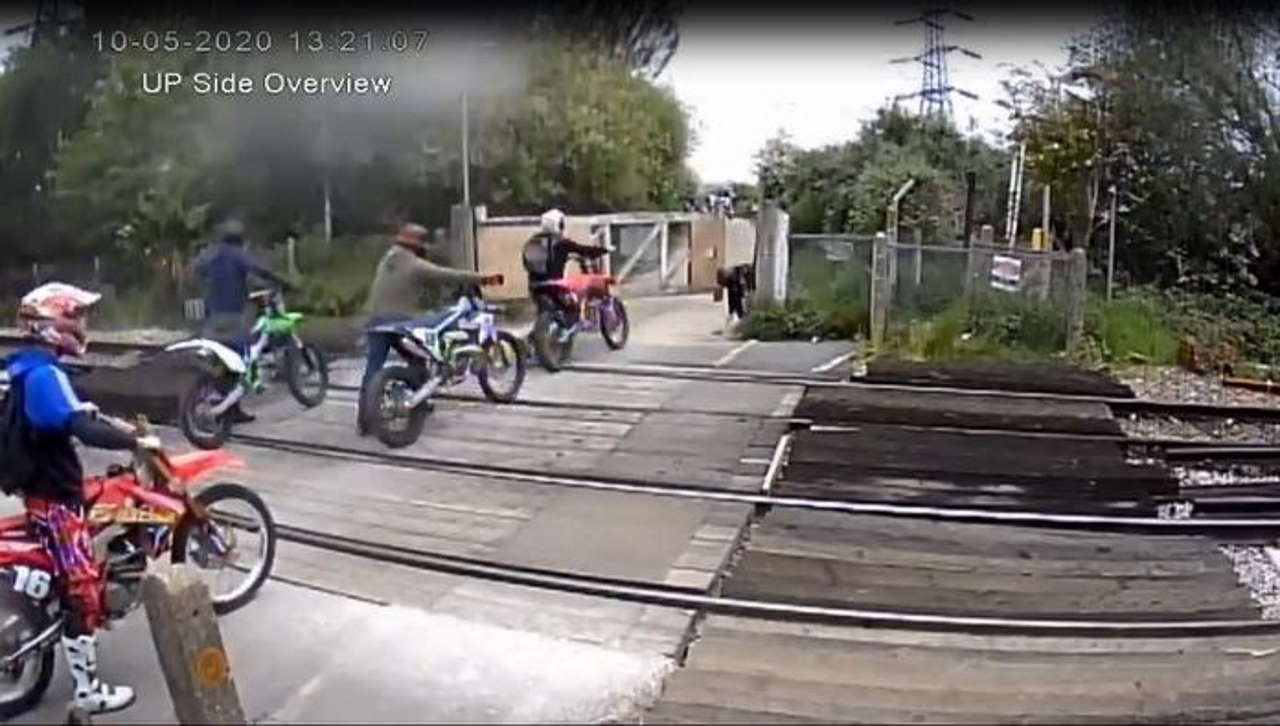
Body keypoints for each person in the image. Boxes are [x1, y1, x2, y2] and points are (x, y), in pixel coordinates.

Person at [2, 282, 163, 715]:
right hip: (55, 499)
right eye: (78, 317)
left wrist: (102, 419)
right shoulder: (43, 375)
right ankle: (88, 691)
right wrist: (133, 442)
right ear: (56, 325)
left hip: (41, 487)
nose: (84, 326)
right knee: (83, 591)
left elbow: (69, 413)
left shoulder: (29, 367)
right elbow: (79, 426)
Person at [357, 222, 503, 435]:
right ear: (416, 246)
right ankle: (420, 402)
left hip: (375, 322)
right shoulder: (415, 264)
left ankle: (364, 419)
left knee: (373, 369)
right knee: (419, 359)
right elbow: (446, 275)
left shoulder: (388, 258)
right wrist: (483, 278)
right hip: (399, 323)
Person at [191, 218, 292, 423]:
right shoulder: (236, 255)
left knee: (219, 363)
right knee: (240, 363)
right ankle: (230, 409)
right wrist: (282, 282)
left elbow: (197, 268)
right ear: (239, 240)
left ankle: (220, 404)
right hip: (232, 318)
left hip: (212, 318)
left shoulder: (211, 255)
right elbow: (259, 269)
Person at [522, 208, 609, 340]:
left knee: (544, 310)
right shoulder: (561, 242)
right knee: (573, 307)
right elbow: (583, 250)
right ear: (559, 224)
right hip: (556, 285)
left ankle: (540, 339)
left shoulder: (533, 241)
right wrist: (602, 250)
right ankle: (565, 331)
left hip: (535, 285)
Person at [715, 262, 755, 333]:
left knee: (739, 310)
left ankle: (740, 326)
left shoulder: (738, 274)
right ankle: (733, 327)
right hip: (737, 294)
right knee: (737, 310)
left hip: (739, 294)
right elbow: (732, 295)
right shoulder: (733, 276)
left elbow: (741, 291)